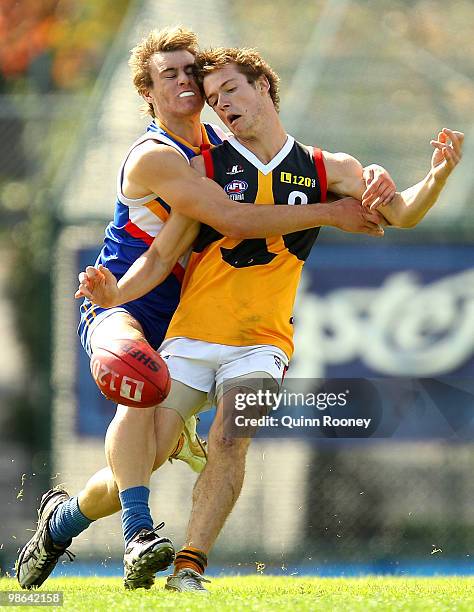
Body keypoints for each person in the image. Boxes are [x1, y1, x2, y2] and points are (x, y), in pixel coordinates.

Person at [15, 28, 393, 592]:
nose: (185, 81)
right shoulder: (157, 156)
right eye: (169, 74)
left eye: (191, 71)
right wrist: (331, 213)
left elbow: (286, 174)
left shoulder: (221, 149)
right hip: (123, 300)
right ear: (149, 93)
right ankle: (141, 537)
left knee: (131, 472)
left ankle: (60, 522)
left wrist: (374, 177)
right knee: (135, 377)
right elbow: (231, 222)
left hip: (189, 321)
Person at [78, 47, 463, 593]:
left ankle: (189, 567)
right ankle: (67, 518)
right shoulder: (204, 168)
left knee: (233, 438)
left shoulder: (333, 169)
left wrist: (439, 176)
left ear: (263, 85)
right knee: (137, 467)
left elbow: (401, 212)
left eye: (230, 90)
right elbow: (163, 255)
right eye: (214, 100)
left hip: (264, 344)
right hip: (190, 339)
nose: (221, 105)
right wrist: (116, 291)